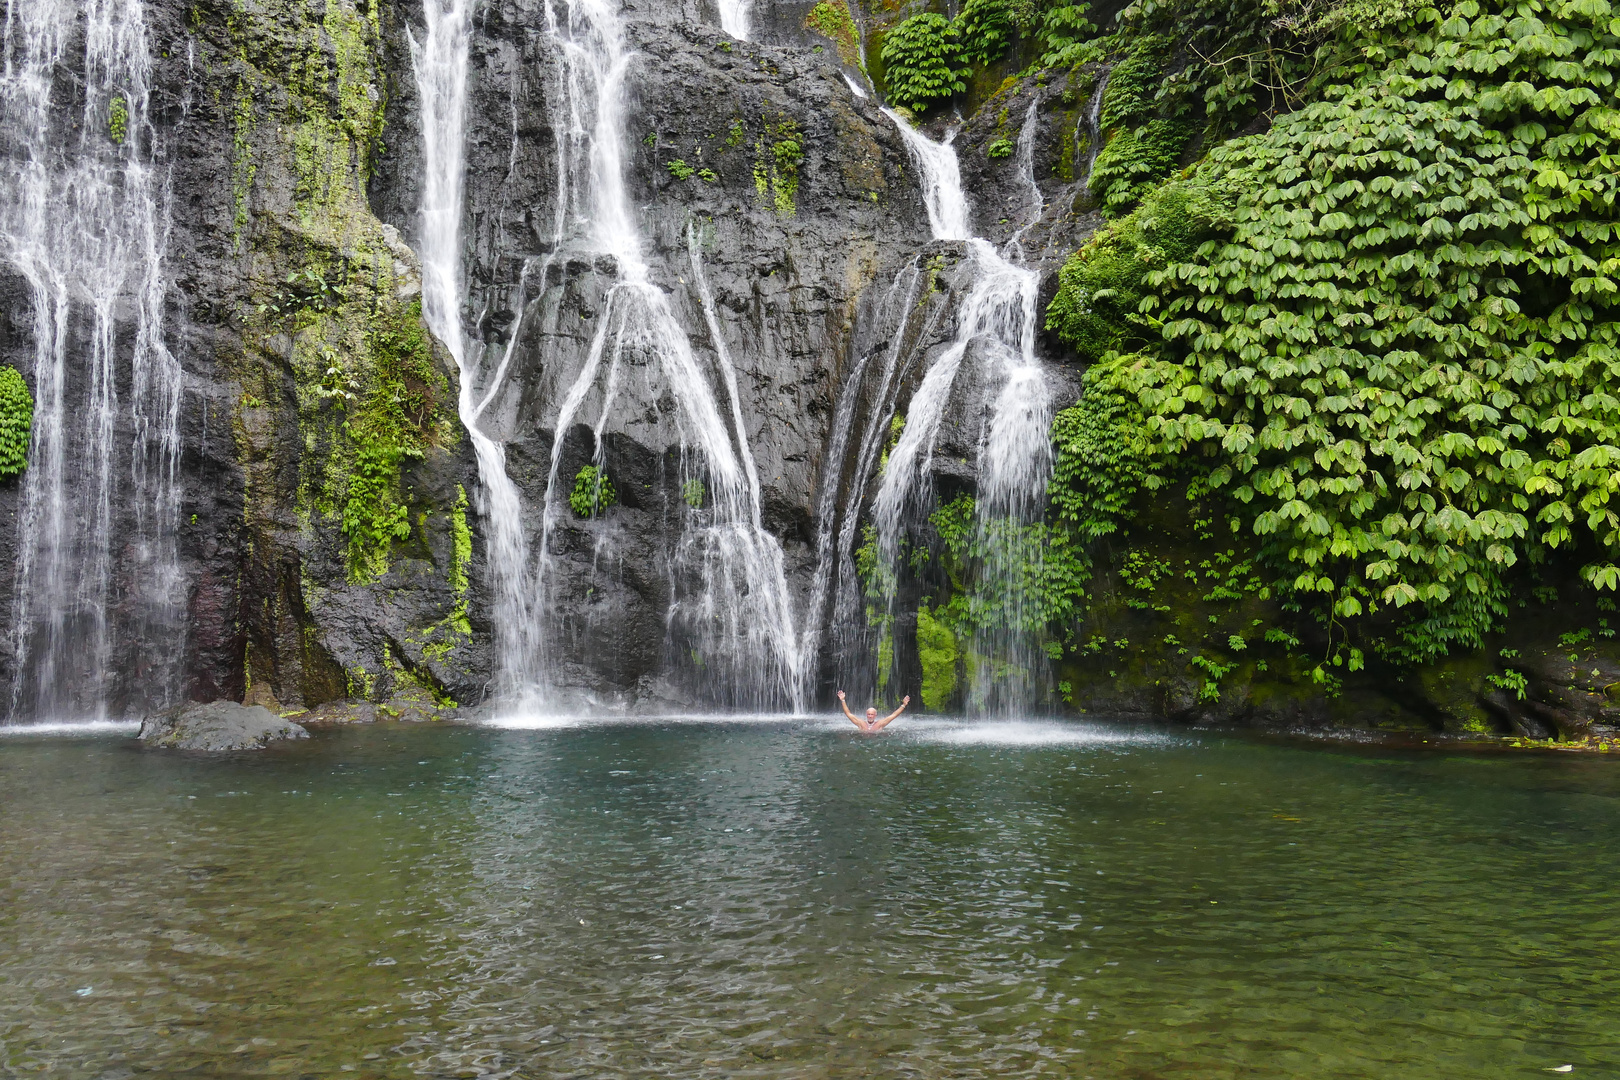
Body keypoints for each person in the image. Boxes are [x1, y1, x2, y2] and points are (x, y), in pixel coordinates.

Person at [837, 690, 909, 732]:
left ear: (875, 715)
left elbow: (894, 715)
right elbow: (848, 714)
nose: (870, 716)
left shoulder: (880, 723)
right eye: (869, 714)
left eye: (872, 714)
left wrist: (903, 705)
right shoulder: (861, 723)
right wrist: (843, 700)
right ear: (866, 714)